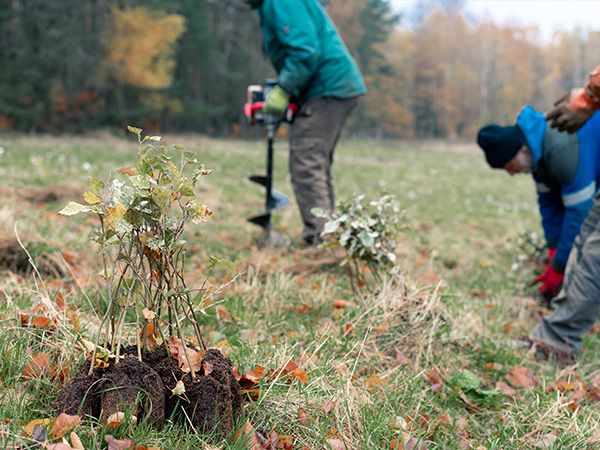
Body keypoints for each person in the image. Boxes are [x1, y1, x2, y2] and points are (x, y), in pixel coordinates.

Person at [242, 0, 366, 245]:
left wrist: (285, 89)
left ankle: (321, 241)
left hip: (328, 88)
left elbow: (305, 51)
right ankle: (329, 236)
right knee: (315, 164)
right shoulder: (269, 6)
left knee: (307, 163)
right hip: (328, 88)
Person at [477, 105, 600, 300]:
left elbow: (580, 213)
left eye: (509, 165)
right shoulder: (537, 158)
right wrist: (554, 249)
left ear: (521, 150)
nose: (511, 173)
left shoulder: (562, 149)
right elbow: (549, 205)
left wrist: (559, 267)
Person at [522, 66, 600, 359]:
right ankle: (559, 331)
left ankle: (558, 341)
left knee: (594, 250)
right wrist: (557, 254)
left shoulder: (560, 154)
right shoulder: (543, 162)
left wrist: (590, 97)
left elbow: (577, 209)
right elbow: (552, 210)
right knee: (588, 242)